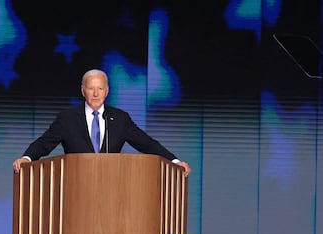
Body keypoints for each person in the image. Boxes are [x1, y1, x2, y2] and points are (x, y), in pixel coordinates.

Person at [11, 69, 192, 176]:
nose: (96, 94)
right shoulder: (68, 118)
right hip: (76, 188)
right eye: (91, 88)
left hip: (112, 188)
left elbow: (146, 143)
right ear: (83, 91)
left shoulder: (120, 119)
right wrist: (27, 158)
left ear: (107, 91)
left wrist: (174, 161)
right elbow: (44, 143)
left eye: (100, 88)